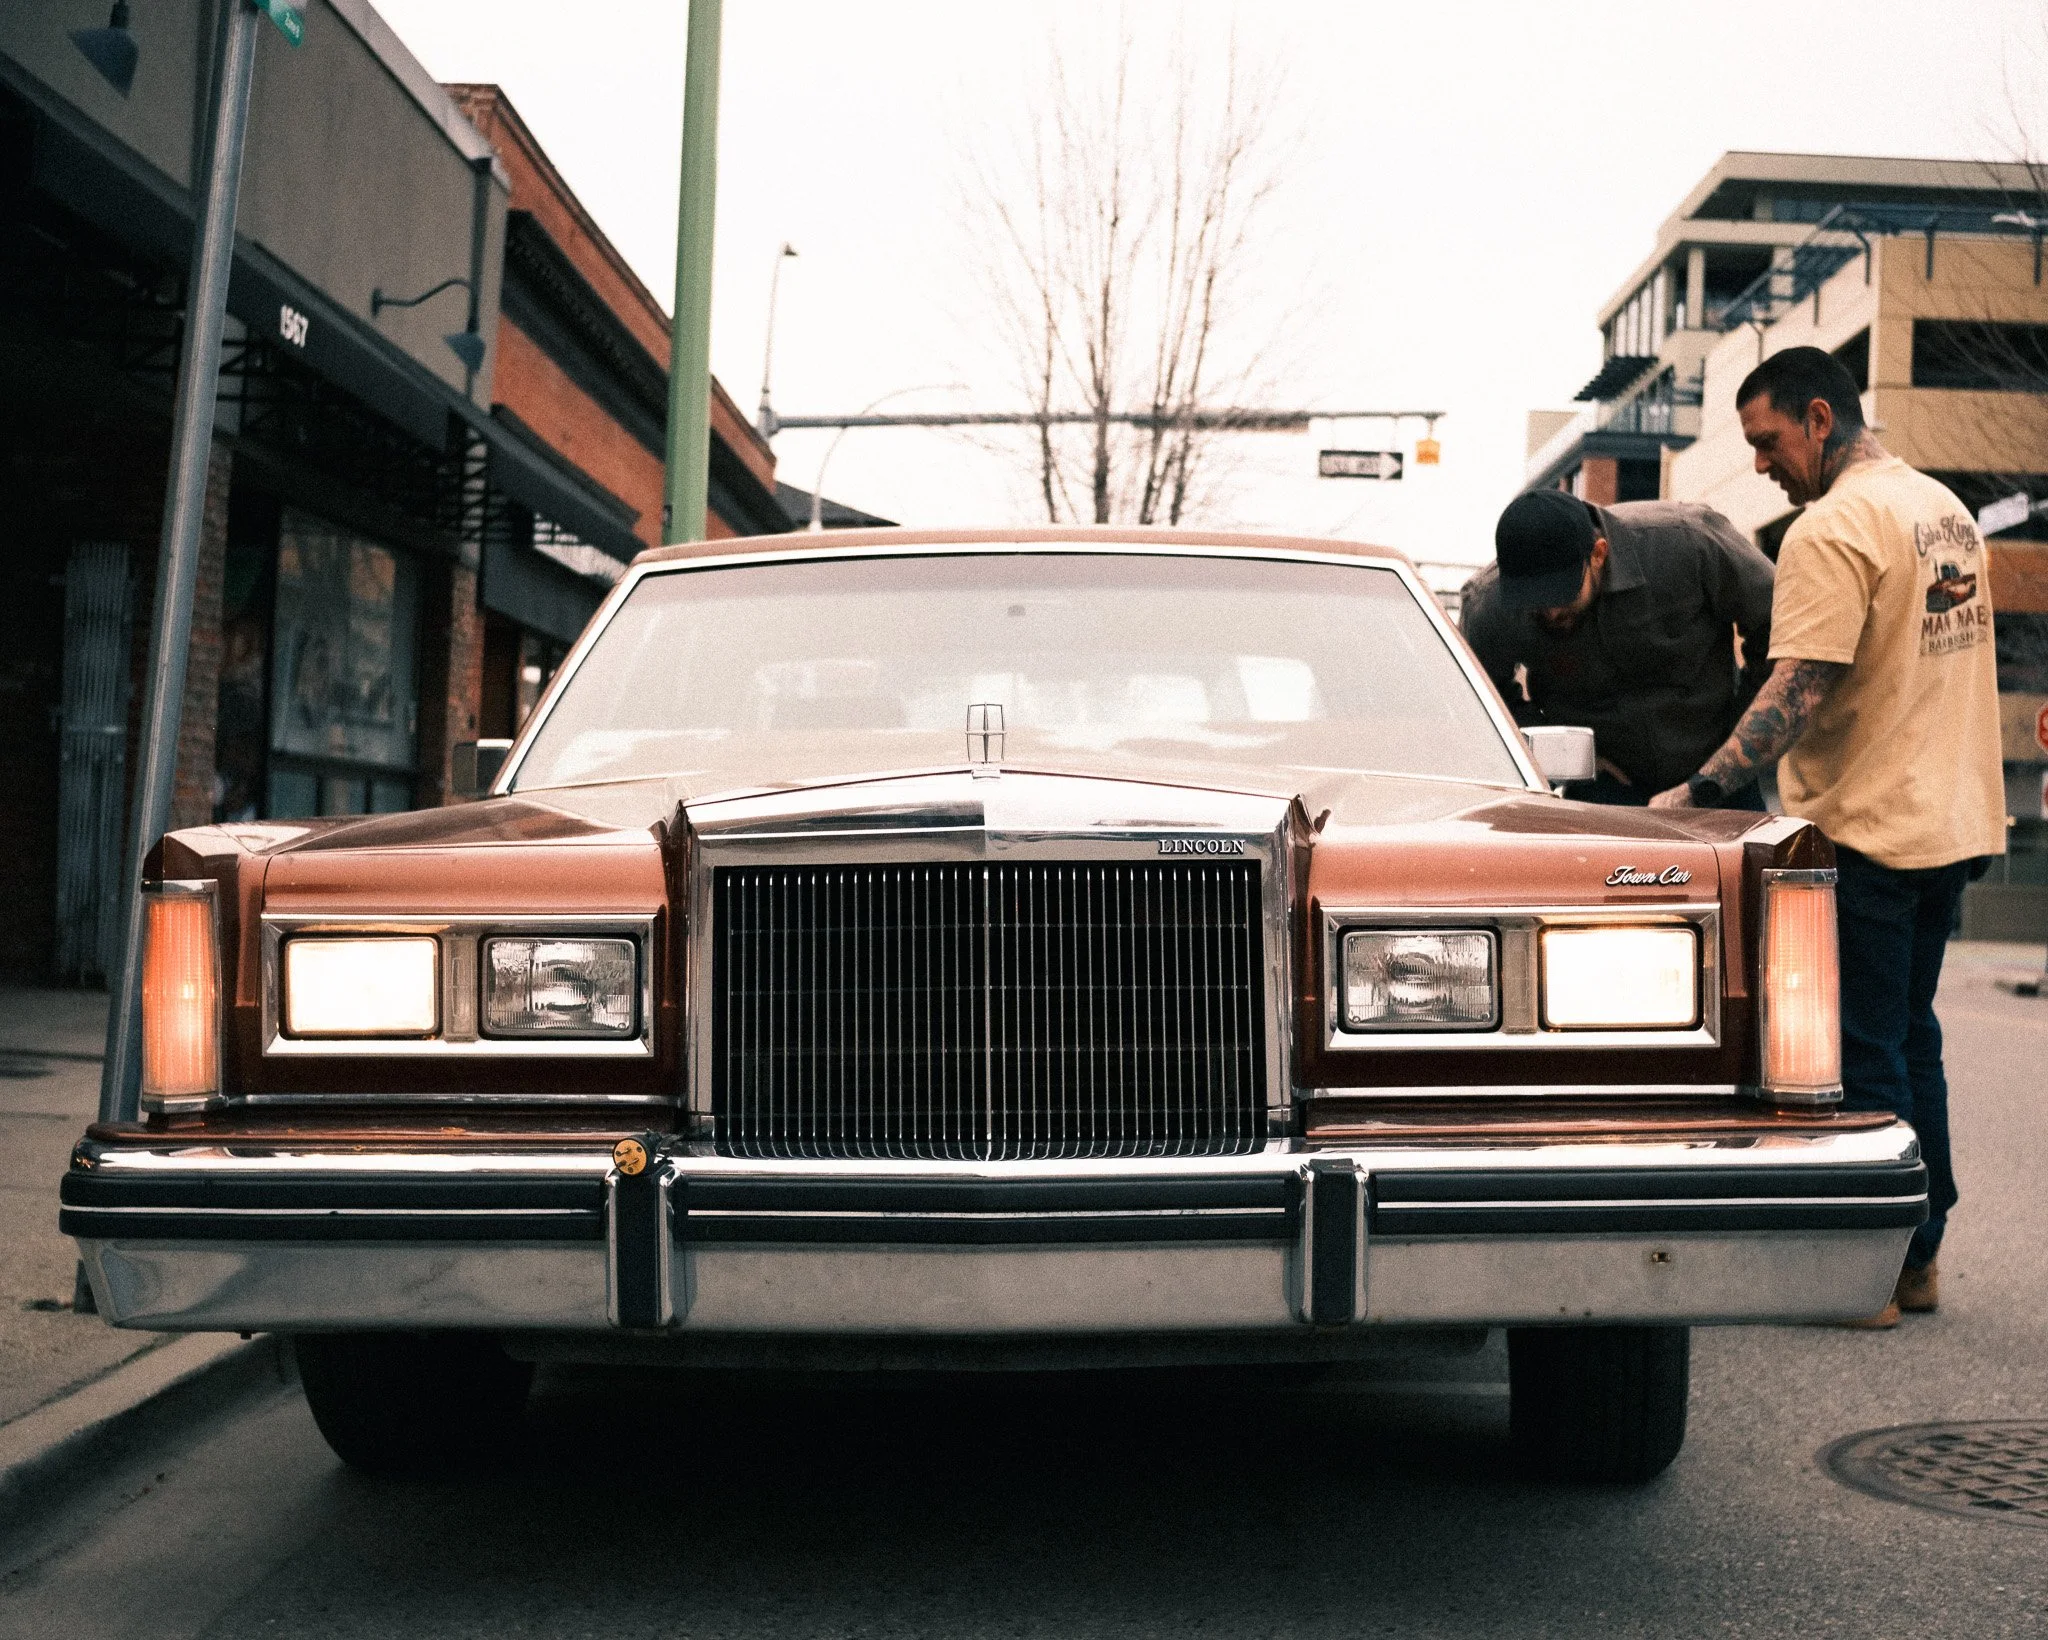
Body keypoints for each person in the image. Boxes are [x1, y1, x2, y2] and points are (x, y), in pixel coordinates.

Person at [1649, 345, 2005, 1328]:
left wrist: (1705, 783)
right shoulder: (1939, 507)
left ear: (1817, 416)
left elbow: (1797, 684)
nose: (1761, 462)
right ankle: (1920, 1248)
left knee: (1862, 1052)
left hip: (1872, 825)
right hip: (1951, 815)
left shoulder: (1830, 526)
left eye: (1765, 441)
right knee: (1911, 1037)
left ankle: (1881, 1261)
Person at [1462, 488, 1777, 806]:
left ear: (1598, 554)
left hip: (1719, 774)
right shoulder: (1488, 606)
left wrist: (1741, 732)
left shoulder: (1688, 541)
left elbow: (1777, 623)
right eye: (1535, 604)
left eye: (1562, 594)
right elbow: (1478, 698)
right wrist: (1562, 755)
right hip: (1602, 786)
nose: (1551, 612)